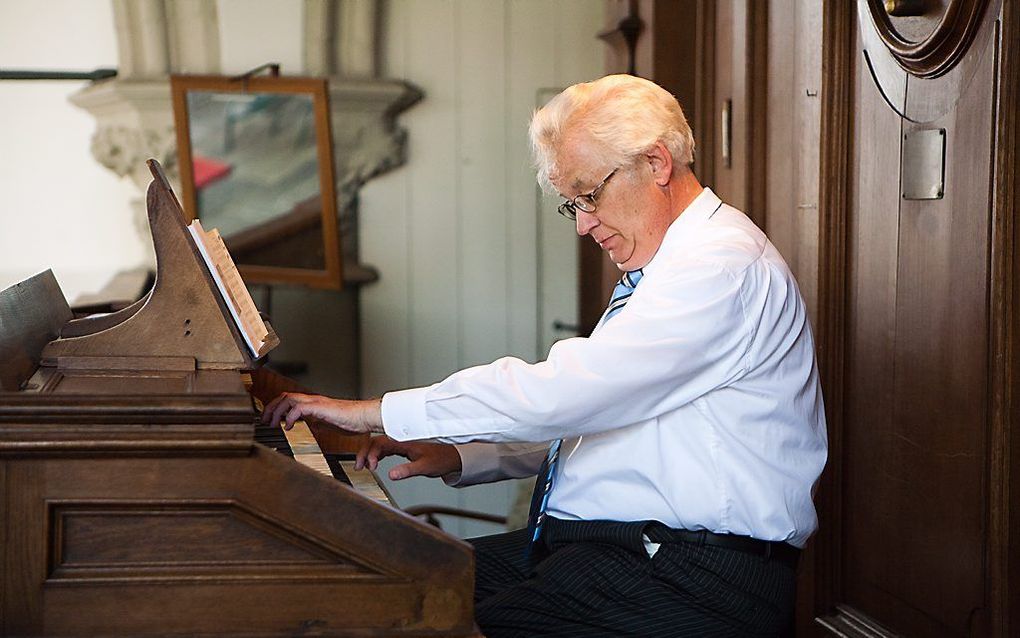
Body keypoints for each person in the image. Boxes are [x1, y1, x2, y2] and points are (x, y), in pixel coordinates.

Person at [263, 74, 828, 637]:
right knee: (387, 587)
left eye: (589, 195)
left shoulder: (718, 267)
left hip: (692, 576)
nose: (583, 224)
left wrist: (374, 411)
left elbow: (571, 392)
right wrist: (466, 454)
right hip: (624, 552)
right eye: (571, 205)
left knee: (414, 621)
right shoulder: (670, 261)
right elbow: (612, 418)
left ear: (657, 163)